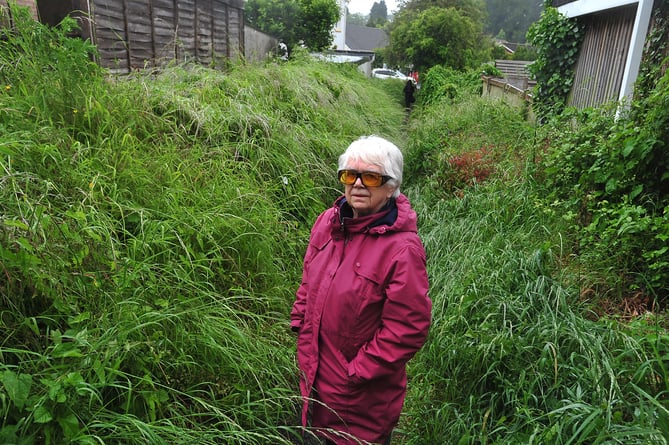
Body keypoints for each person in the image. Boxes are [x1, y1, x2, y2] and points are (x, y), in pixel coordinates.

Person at [291, 135, 432, 445]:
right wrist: (300, 322)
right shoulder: (329, 222)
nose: (357, 184)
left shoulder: (402, 250)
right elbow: (309, 277)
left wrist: (355, 373)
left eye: (370, 177)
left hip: (360, 398)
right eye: (349, 175)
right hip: (314, 375)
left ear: (392, 186)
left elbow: (408, 328)